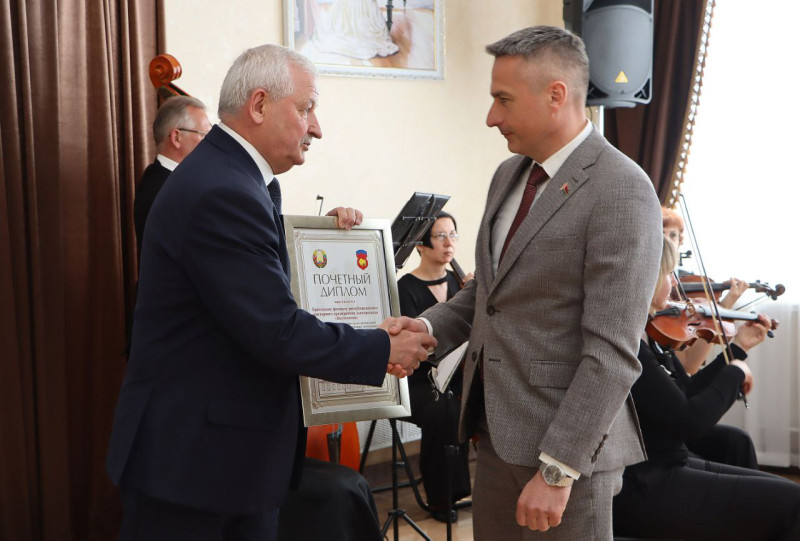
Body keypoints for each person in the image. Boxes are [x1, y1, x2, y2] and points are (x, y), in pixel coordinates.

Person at [106, 44, 434, 541]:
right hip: (196, 467)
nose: (317, 128)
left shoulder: (235, 179)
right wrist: (382, 347)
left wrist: (327, 249)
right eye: (307, 108)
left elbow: (258, 294)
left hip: (217, 458)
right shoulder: (224, 191)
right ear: (259, 105)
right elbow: (275, 329)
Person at [407, 26, 663, 539]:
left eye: (503, 99)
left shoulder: (622, 190)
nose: (491, 117)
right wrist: (423, 328)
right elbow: (489, 294)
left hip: (566, 458)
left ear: (556, 95)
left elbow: (612, 352)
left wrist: (558, 469)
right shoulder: (508, 175)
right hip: (494, 438)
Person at [612, 236, 800, 540]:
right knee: (792, 503)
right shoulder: (630, 345)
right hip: (644, 483)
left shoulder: (647, 338)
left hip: (668, 465)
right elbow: (690, 422)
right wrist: (735, 372)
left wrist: (737, 350)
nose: (676, 283)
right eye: (669, 274)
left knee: (787, 493)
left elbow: (686, 392)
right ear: (647, 278)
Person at [661, 206, 758, 469]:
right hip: (660, 447)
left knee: (738, 442)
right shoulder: (644, 331)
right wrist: (735, 369)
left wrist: (738, 345)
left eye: (672, 235)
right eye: (661, 233)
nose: (666, 241)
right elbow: (689, 367)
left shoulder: (669, 316)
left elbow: (686, 377)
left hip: (673, 427)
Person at [397, 211, 474, 523]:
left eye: (452, 235)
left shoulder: (463, 285)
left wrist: (478, 298)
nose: (449, 243)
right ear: (421, 244)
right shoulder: (405, 288)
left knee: (477, 399)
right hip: (418, 380)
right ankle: (443, 497)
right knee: (445, 410)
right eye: (440, 236)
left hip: (458, 376)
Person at [133, 95, 212, 260]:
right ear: (176, 138)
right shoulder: (161, 189)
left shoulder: (168, 180)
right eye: (204, 135)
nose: (210, 143)